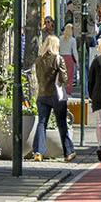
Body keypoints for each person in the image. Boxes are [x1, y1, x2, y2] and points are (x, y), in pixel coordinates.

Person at [31, 33, 75, 161]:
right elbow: (63, 78)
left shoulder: (39, 59)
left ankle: (38, 152)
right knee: (61, 124)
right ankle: (68, 152)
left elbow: (38, 77)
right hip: (56, 95)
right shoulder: (58, 59)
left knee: (41, 123)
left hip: (42, 94)